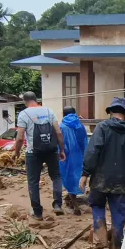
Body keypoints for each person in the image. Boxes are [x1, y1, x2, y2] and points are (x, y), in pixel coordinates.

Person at [80, 97, 125, 249]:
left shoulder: (102, 128)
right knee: (119, 214)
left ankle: (100, 242)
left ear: (110, 112)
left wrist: (85, 173)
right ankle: (116, 248)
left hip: (100, 179)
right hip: (122, 182)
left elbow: (92, 151)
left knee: (97, 206)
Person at [13, 91, 66, 220]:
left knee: (33, 182)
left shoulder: (23, 114)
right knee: (56, 177)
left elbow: (20, 138)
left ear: (25, 101)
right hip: (51, 150)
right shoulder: (48, 111)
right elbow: (58, 133)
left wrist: (17, 152)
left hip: (33, 153)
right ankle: (58, 204)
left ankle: (37, 212)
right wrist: (62, 150)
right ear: (36, 99)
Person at [59, 106, 88, 216]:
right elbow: (85, 141)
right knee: (78, 177)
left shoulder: (62, 126)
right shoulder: (80, 125)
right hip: (79, 156)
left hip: (66, 156)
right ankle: (72, 200)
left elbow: (60, 143)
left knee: (68, 177)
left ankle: (75, 205)